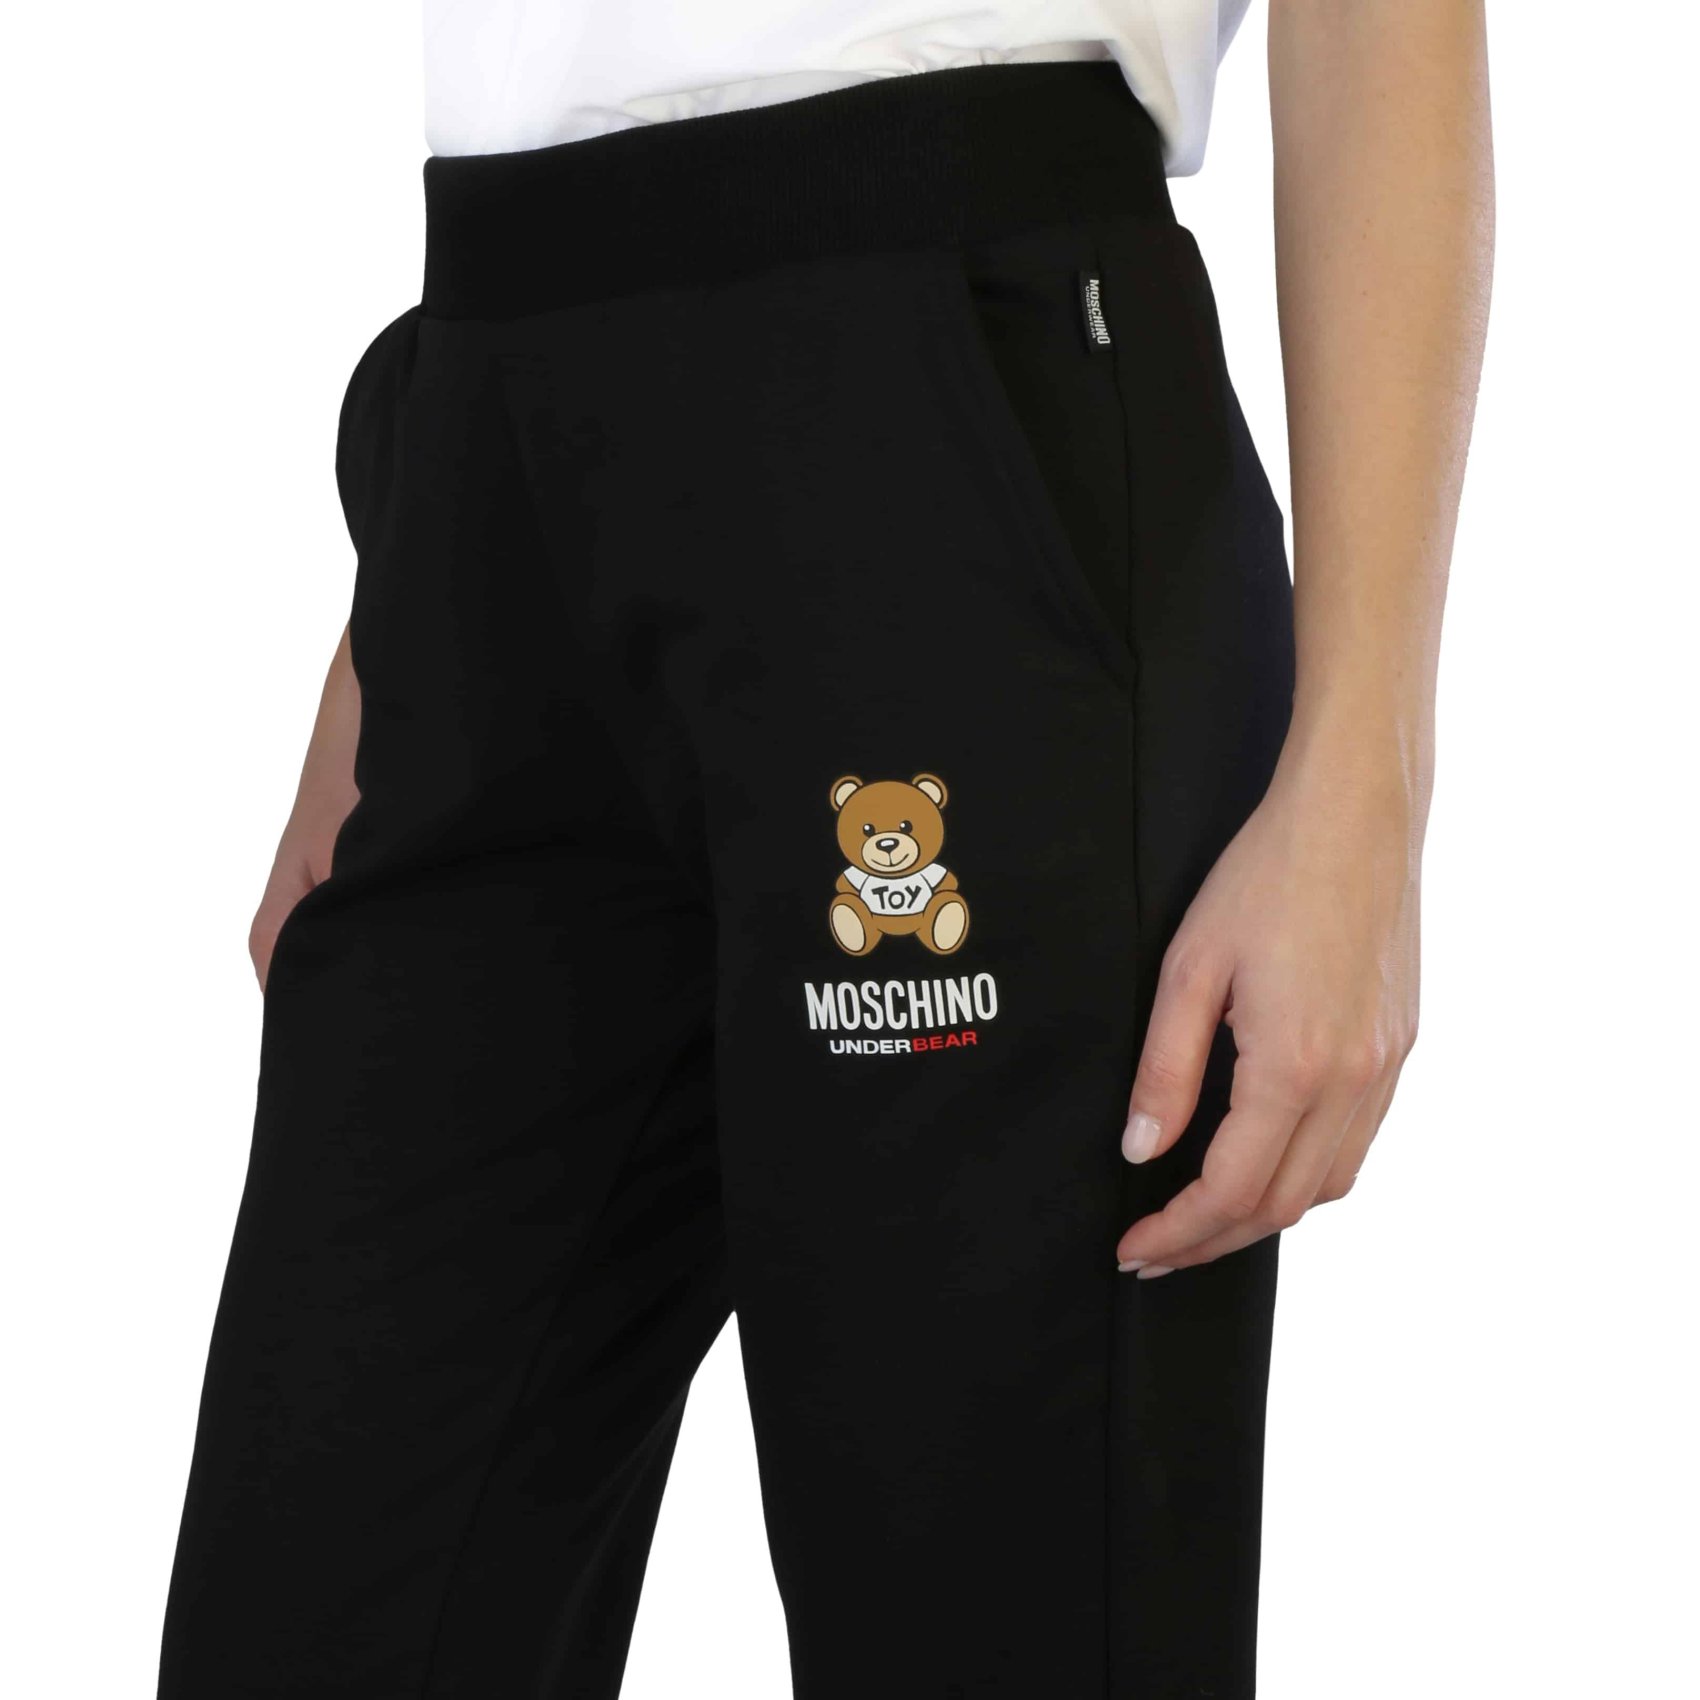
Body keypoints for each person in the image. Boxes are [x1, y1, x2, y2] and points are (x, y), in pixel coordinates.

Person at [159, 4, 1493, 1695]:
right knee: (316, 1602)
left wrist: (1367, 772)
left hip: (951, 427)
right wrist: (408, 604)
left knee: (987, 1624)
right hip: (495, 444)